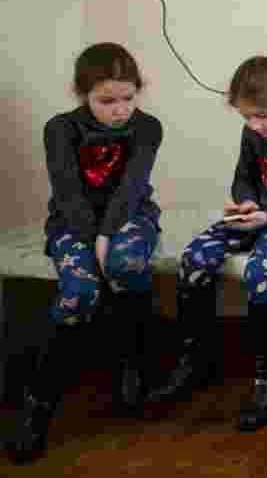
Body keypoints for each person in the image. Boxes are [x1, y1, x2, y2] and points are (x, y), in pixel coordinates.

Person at [147, 56, 267, 431]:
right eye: (247, 118)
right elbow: (243, 179)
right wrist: (245, 202)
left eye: (263, 116)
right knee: (195, 258)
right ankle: (197, 360)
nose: (255, 125)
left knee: (260, 269)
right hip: (256, 215)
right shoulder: (252, 132)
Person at [6, 43, 163, 465]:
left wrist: (108, 235)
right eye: (106, 101)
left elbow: (132, 187)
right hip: (73, 222)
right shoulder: (60, 129)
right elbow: (68, 192)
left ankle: (135, 366)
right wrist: (91, 235)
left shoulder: (148, 128)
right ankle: (38, 405)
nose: (119, 110)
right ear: (82, 95)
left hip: (129, 216)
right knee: (79, 292)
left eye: (128, 98)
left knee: (126, 265)